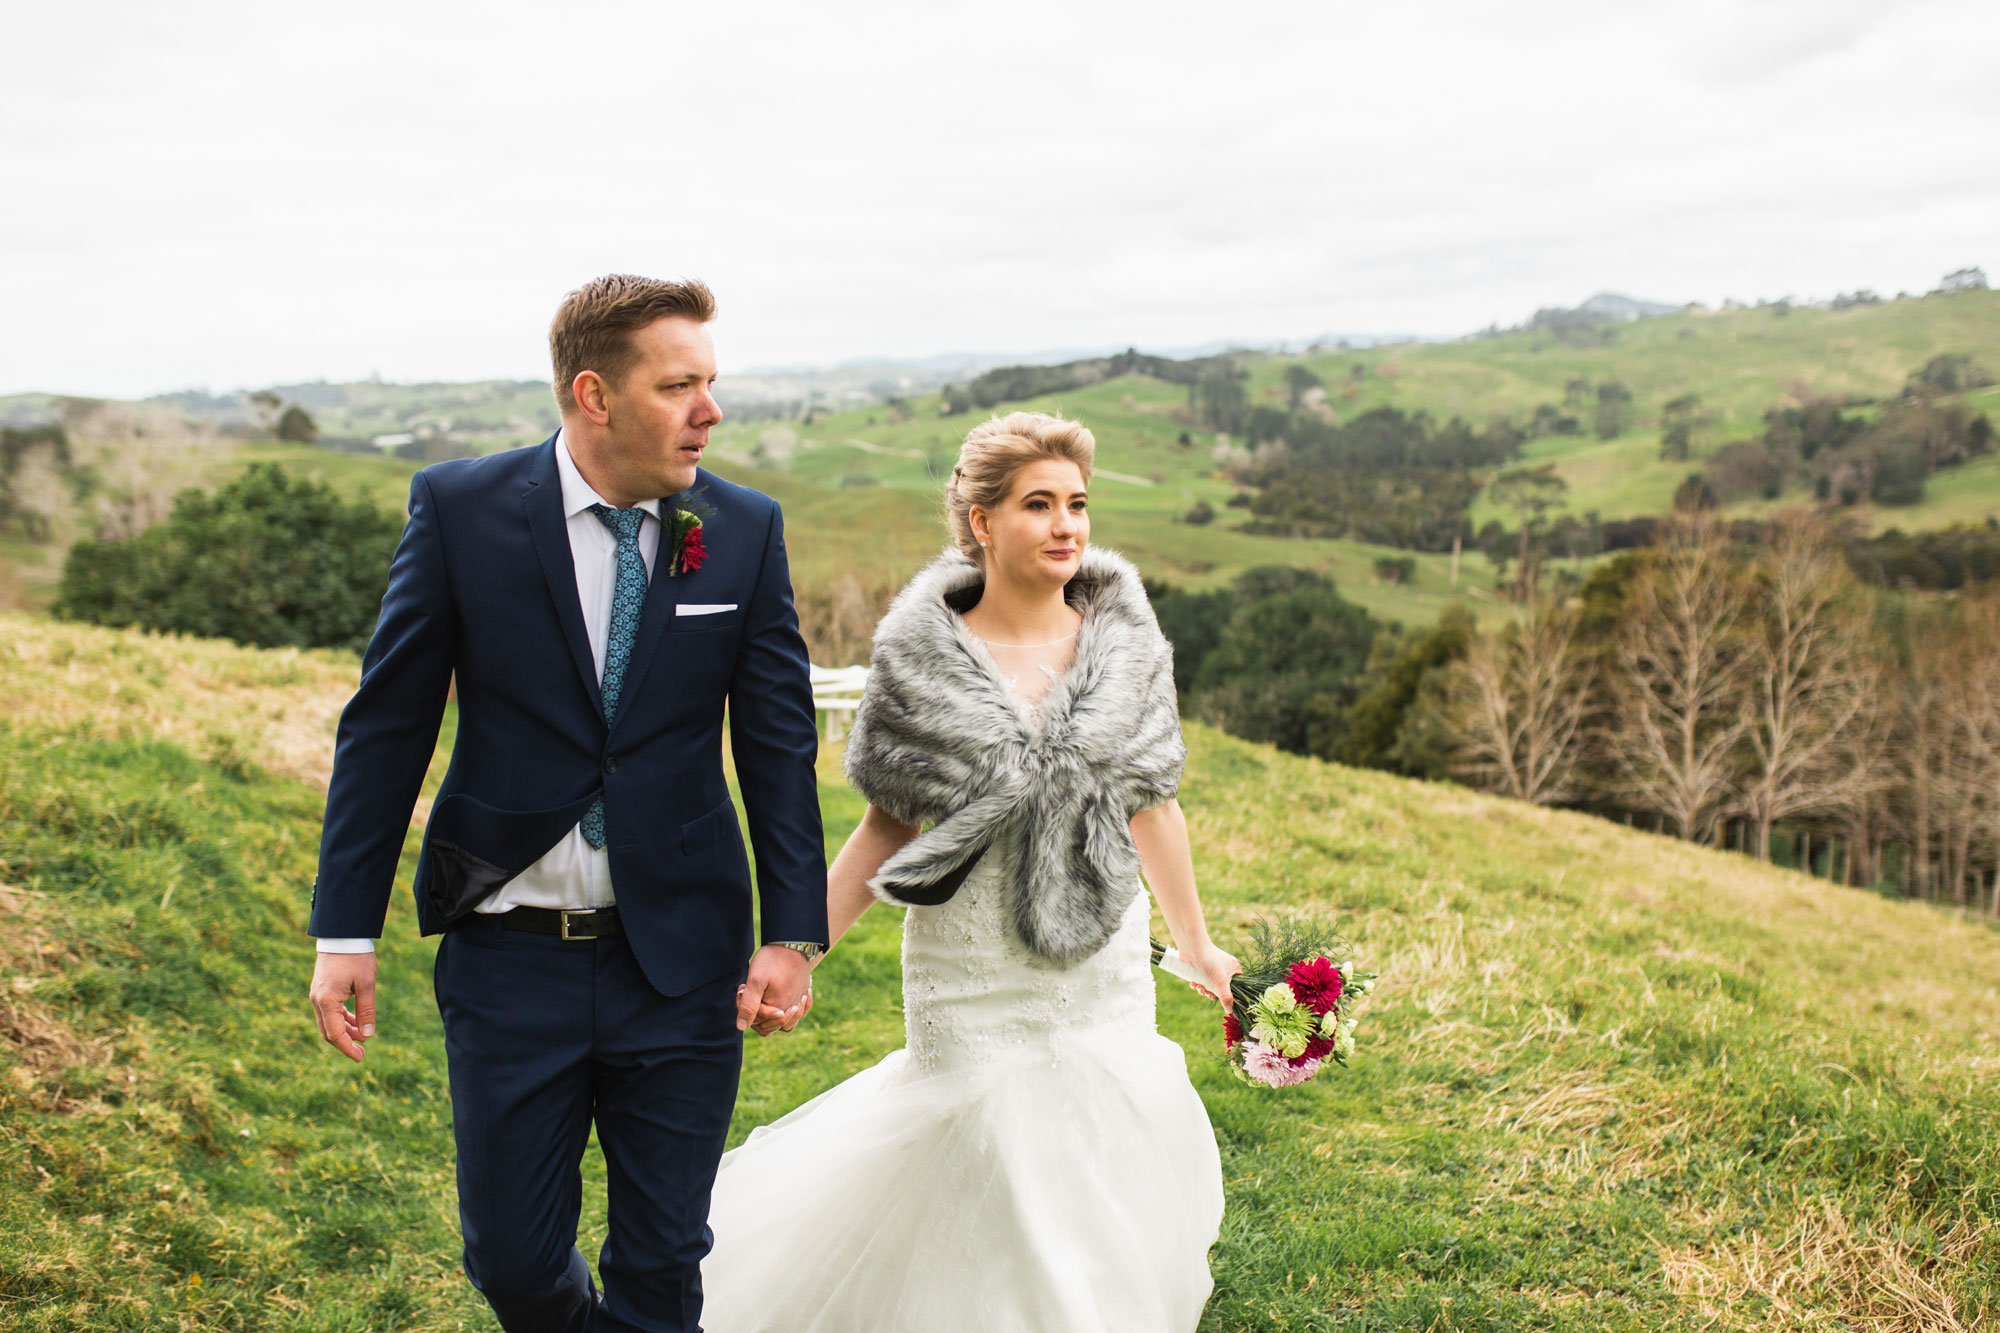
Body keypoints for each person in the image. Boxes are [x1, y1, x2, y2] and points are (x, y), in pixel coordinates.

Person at [304, 275, 828, 1333]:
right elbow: (388, 725)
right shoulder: (460, 511)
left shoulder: (743, 529)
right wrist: (343, 927)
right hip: (507, 957)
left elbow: (775, 739)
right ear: (593, 394)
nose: (709, 411)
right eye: (678, 385)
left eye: (709, 382)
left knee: (662, 1257)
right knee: (512, 1262)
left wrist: (793, 933)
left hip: (679, 954)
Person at [698, 411, 1241, 1333]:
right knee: (983, 1167)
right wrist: (796, 950)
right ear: (981, 521)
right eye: (1039, 504)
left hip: (1097, 967)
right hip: (969, 971)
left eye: (1077, 503)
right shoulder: (920, 661)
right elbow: (883, 830)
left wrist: (1199, 946)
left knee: (1094, 1174)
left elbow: (1154, 805)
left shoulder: (1129, 649)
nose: (1068, 523)